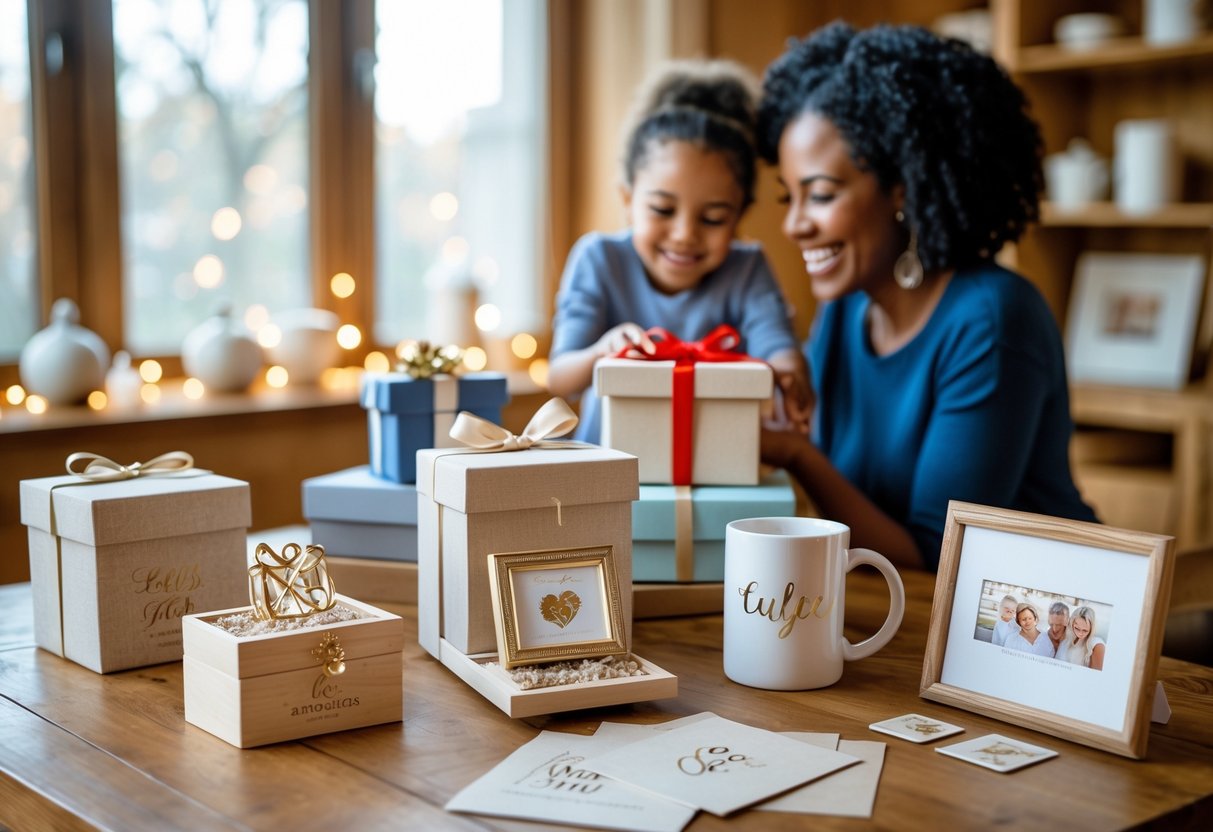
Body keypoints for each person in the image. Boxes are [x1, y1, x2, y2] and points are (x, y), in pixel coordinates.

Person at [755, 22, 1098, 569]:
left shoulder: (991, 319)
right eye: (788, 196)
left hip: (1043, 621)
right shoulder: (844, 309)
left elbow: (934, 559)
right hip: (899, 619)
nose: (795, 224)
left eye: (819, 194)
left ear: (903, 189)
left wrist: (797, 455)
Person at [548, 60, 810, 444]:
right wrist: (603, 351)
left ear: (739, 217)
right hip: (606, 474)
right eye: (662, 210)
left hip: (716, 465)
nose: (685, 235)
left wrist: (789, 373)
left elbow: (779, 349)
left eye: (714, 218)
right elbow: (560, 379)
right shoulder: (599, 259)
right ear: (627, 198)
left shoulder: (748, 268)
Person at [1065, 606, 1106, 671]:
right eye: (1077, 628)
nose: (1080, 633)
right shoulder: (1068, 639)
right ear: (1072, 624)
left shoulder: (1097, 645)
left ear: (1091, 629)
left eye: (1085, 630)